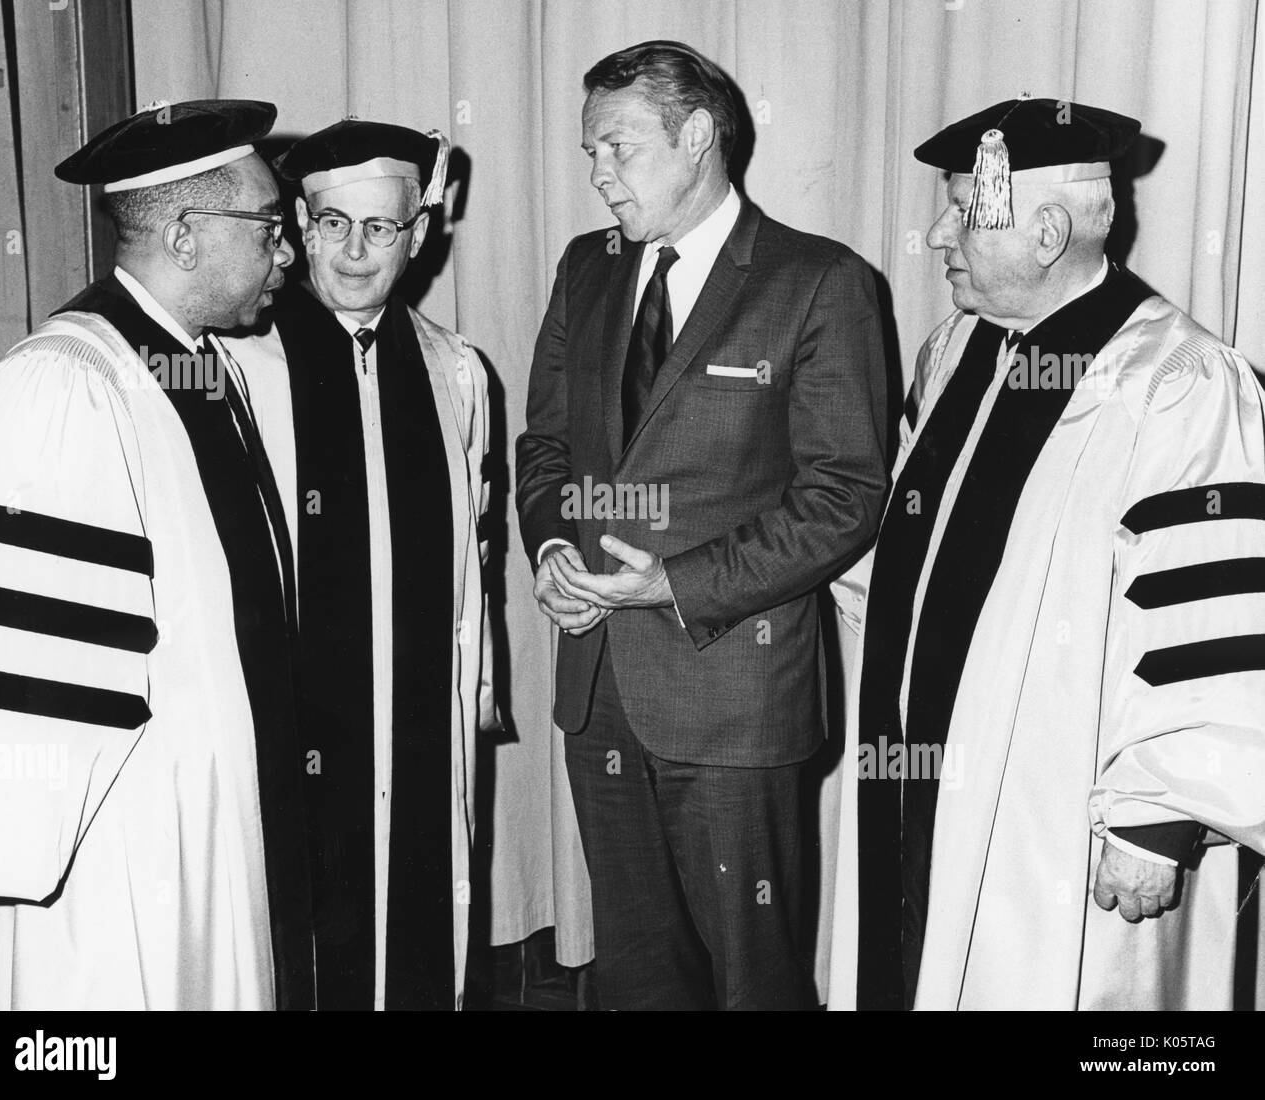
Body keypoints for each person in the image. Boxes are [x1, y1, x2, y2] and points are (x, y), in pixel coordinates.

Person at [829, 96, 1265, 1010]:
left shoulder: (1178, 381)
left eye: (962, 210)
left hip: (1070, 805)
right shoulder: (955, 349)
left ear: (1048, 231)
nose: (937, 235)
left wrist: (1159, 816)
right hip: (929, 764)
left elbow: (1214, 617)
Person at [516, 40, 889, 1010]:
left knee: (750, 978)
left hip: (735, 697)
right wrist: (554, 542)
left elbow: (846, 494)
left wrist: (672, 583)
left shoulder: (819, 280)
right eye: (589, 149)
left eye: (616, 147)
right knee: (637, 973)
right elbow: (545, 446)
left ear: (694, 137)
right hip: (597, 690)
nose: (596, 173)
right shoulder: (586, 270)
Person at [0, 99, 313, 1008]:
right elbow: (34, 671)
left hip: (215, 819)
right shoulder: (63, 388)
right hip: (127, 850)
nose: (288, 253)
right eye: (270, 227)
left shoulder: (195, 367)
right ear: (189, 235)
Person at [224, 119, 494, 1010]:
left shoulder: (456, 372)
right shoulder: (240, 367)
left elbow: (472, 562)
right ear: (299, 226)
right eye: (332, 223)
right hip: (289, 723)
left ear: (418, 235)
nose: (352, 249)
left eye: (380, 228)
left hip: (416, 724)